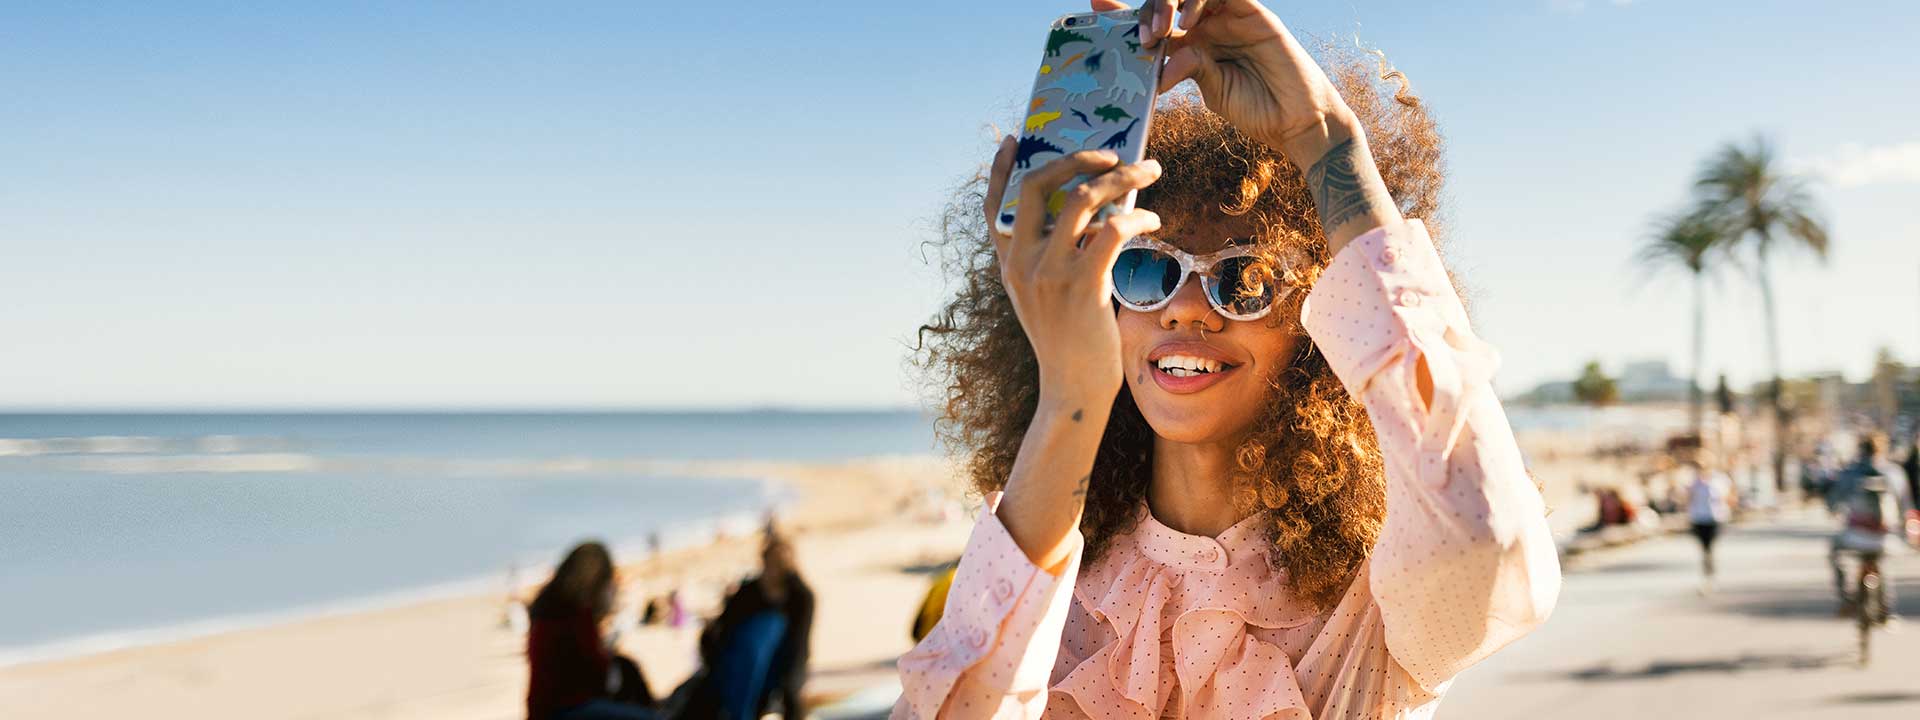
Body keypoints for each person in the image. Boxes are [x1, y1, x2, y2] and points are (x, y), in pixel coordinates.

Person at [896, 1, 1560, 717]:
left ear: (1320, 325)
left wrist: (1329, 146)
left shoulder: (1377, 597)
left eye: (1244, 280)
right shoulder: (1050, 585)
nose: (1184, 307)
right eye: (1144, 270)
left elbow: (1486, 535)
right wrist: (1069, 398)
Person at [675, 530, 814, 719]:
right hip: (739, 666)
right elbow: (722, 630)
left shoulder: (800, 596)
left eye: (780, 564)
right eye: (771, 562)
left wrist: (790, 688)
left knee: (770, 625)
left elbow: (799, 646)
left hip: (778, 666)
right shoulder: (749, 592)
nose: (775, 569)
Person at [526, 541, 658, 720]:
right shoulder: (573, 615)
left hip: (546, 709)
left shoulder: (549, 608)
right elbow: (598, 674)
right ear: (596, 582)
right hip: (564, 710)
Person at [1828, 434, 1910, 618]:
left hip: (1854, 537)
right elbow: (1905, 506)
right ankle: (1887, 612)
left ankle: (1847, 599)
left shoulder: (1851, 472)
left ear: (1861, 449)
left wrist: (1834, 510)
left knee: (1835, 552)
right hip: (1885, 537)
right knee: (1883, 565)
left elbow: (1834, 500)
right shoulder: (1894, 472)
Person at [1684, 458, 1735, 590]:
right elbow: (1688, 499)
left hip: (1714, 518)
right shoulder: (1693, 482)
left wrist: (1727, 508)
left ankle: (1710, 573)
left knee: (1710, 547)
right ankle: (1708, 572)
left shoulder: (1719, 480)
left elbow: (1729, 496)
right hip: (1698, 518)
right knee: (1704, 548)